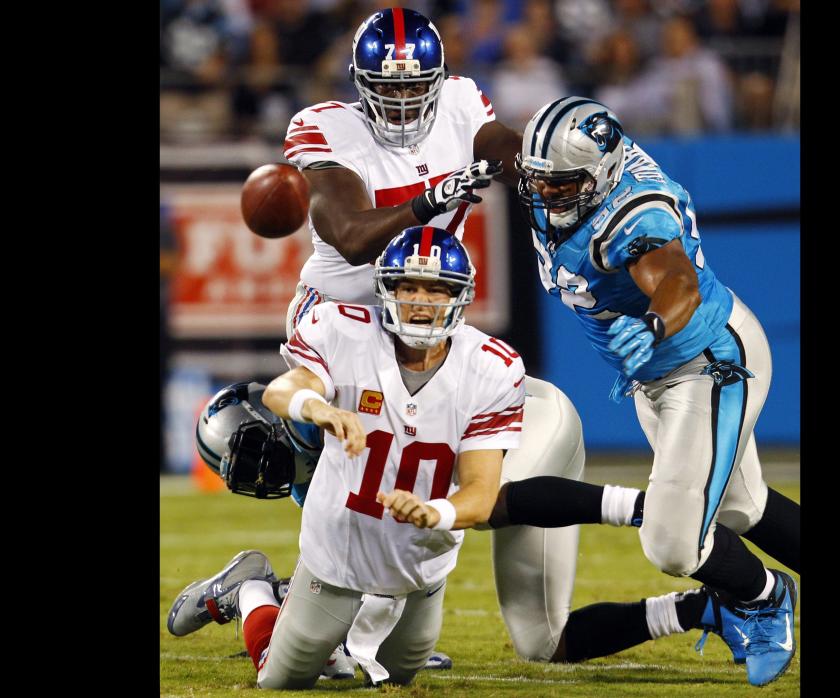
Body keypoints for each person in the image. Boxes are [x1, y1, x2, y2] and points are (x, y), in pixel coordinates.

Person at [277, 6, 585, 664]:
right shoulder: (324, 127)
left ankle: (365, 618)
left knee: (430, 462)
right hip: (344, 320)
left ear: (439, 79)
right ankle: (288, 598)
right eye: (385, 88)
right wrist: (442, 190)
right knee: (349, 470)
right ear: (360, 84)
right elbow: (354, 236)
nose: (402, 101)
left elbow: (501, 146)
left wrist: (538, 161)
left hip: (418, 320)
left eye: (415, 86)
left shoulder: (460, 100)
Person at [499, 96, 800, 687]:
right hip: (657, 373)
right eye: (541, 183)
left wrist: (655, 324)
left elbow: (678, 281)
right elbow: (499, 147)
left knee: (672, 544)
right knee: (743, 508)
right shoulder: (562, 170)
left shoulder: (633, 213)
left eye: (564, 186)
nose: (548, 197)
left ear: (602, 174)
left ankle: (765, 599)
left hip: (705, 362)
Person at [169, 227, 526, 688]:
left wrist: (433, 511)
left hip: (420, 565)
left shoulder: (492, 368)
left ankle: (339, 630)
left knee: (399, 676)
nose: (422, 301)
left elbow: (480, 494)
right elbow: (282, 390)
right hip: (337, 549)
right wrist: (318, 407)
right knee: (280, 679)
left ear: (460, 296)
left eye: (438, 288)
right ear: (385, 290)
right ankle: (252, 590)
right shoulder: (344, 330)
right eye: (408, 286)